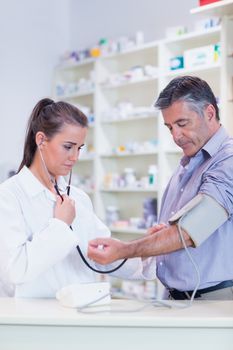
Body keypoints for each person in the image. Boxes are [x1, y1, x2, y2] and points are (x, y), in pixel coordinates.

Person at [88, 76, 233, 300]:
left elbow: (189, 230)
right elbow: (181, 229)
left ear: (210, 113)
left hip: (212, 300)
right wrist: (165, 233)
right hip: (175, 297)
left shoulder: (227, 161)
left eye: (183, 124)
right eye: (170, 127)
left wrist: (124, 250)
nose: (176, 136)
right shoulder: (190, 161)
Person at [0, 98, 156, 298]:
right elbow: (16, 270)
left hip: (82, 315)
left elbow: (100, 253)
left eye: (79, 148)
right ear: (41, 140)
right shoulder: (9, 196)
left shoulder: (78, 197)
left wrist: (146, 249)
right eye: (68, 146)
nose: (75, 157)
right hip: (35, 320)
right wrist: (60, 225)